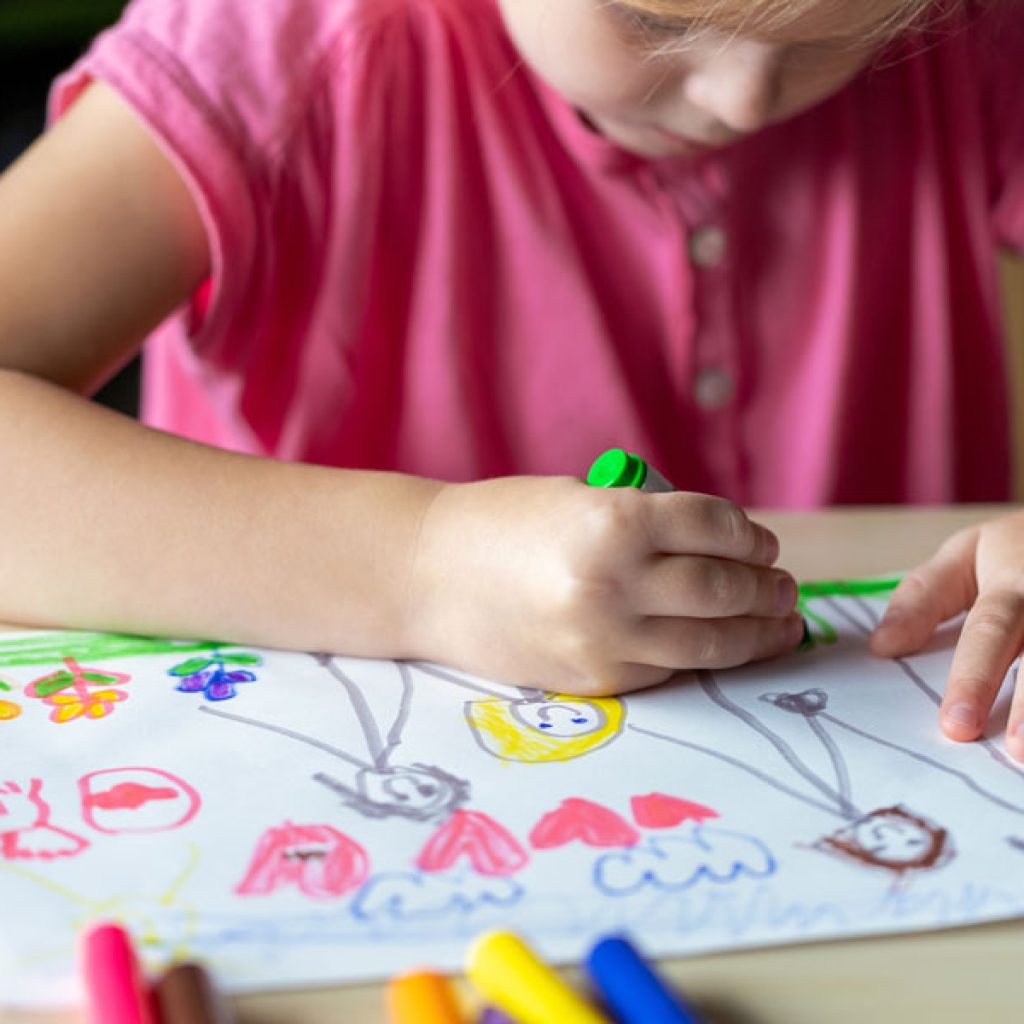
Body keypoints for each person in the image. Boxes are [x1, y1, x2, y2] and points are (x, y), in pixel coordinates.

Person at [0, 0, 1021, 758]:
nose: (742, 94)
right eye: (646, 18)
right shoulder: (282, 52)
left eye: (828, 33)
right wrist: (420, 568)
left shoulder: (959, 33)